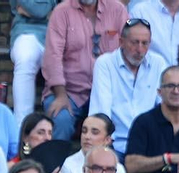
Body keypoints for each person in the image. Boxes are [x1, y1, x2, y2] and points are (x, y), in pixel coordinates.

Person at [40, 0, 128, 143]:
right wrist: (61, 94)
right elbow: (52, 57)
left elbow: (128, 49)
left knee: (126, 119)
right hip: (69, 92)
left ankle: (111, 163)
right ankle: (55, 164)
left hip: (109, 91)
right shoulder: (62, 12)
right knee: (61, 119)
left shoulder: (117, 9)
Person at [90, 18, 168, 155]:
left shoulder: (158, 63)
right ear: (121, 42)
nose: (139, 49)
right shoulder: (105, 64)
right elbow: (101, 112)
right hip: (114, 145)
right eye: (134, 42)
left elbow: (165, 106)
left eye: (145, 43)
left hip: (149, 145)